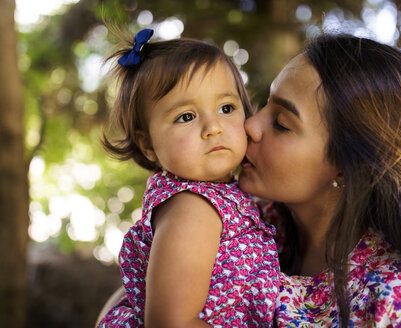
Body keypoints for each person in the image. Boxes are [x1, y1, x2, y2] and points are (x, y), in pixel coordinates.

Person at [238, 34, 401, 327]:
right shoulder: (244, 221)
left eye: (281, 124)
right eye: (265, 104)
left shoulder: (400, 305)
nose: (249, 125)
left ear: (349, 168)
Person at [97, 29, 280, 327]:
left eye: (226, 108)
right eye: (186, 116)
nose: (213, 127)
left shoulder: (227, 196)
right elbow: (172, 322)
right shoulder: (193, 208)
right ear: (148, 146)